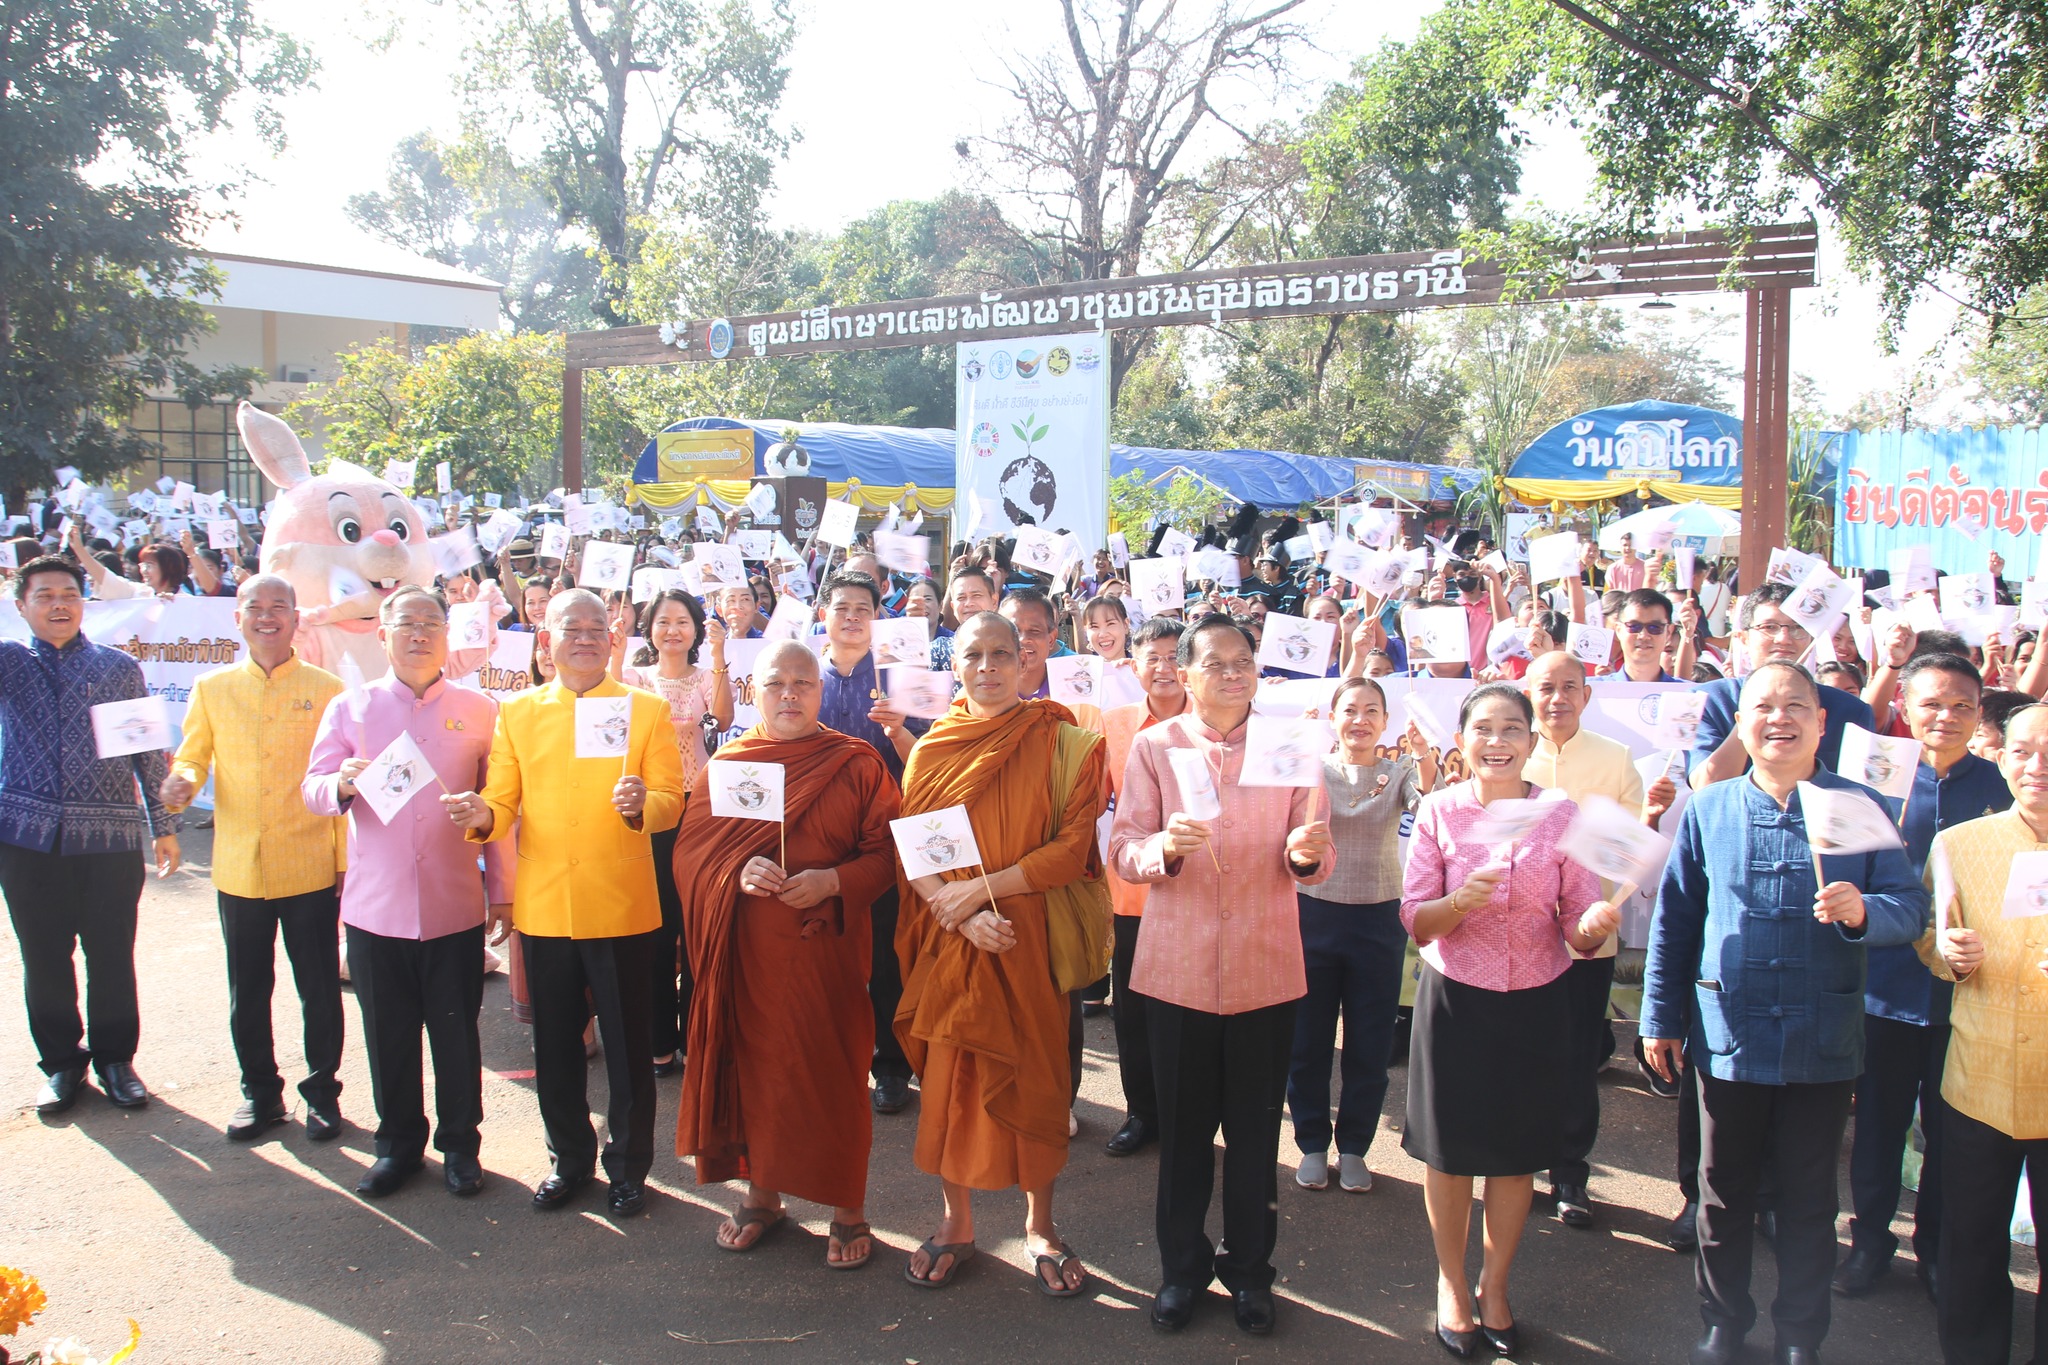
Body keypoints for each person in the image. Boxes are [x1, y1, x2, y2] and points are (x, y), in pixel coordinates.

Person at [1642, 661, 1930, 1365]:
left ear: (1821, 720)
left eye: (1795, 705)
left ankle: (1802, 1333)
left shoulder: (1857, 804)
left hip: (1821, 1035)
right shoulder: (1710, 807)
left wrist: (1864, 911)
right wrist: (1659, 1015)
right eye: (1762, 706)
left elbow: (1909, 906)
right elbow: (1675, 921)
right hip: (1727, 1029)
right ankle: (1723, 1321)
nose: (1780, 718)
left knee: (1807, 1200)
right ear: (1741, 724)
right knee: (1721, 1195)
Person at [1110, 616, 1334, 1337]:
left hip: (1266, 969)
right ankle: (1181, 1269)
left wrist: (1304, 853)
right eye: (1217, 663)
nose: (1232, 674)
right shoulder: (1156, 744)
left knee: (1253, 1133)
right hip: (1176, 972)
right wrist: (1161, 850)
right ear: (1187, 672)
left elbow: (1315, 853)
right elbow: (1122, 846)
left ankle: (1250, 1272)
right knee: (1180, 1135)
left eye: (1244, 662)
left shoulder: (1291, 743)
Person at [443, 588, 685, 1218]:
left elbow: (671, 799)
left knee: (630, 1049)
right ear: (545, 640)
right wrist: (479, 816)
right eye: (569, 628)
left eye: (595, 628)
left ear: (613, 638)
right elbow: (501, 803)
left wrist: (642, 804)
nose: (584, 638)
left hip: (623, 904)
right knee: (555, 1046)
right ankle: (569, 1160)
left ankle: (630, 1169)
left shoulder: (645, 710)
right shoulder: (518, 713)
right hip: (547, 905)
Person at [894, 611, 1106, 1296]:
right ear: (954, 665)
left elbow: (1072, 852)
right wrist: (951, 909)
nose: (988, 667)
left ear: (1027, 660)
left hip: (1027, 934)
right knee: (952, 1086)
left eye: (1002, 654)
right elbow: (918, 851)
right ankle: (956, 1220)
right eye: (973, 654)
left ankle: (1041, 1225)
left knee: (1039, 1080)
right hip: (956, 934)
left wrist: (982, 892)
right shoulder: (933, 749)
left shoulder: (1065, 740)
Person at [1401, 682, 1615, 1358]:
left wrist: (1594, 923)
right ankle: (1452, 1284)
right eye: (1484, 728)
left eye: (1512, 729)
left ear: (1532, 740)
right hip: (1457, 996)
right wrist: (1458, 900)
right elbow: (1415, 917)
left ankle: (1495, 1285)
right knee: (1452, 1153)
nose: (1497, 742)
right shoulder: (1439, 809)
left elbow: (1577, 925)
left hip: (1538, 999)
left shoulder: (1558, 812)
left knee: (1517, 1154)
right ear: (1462, 740)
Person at [674, 641, 900, 1269]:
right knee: (755, 1069)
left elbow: (889, 853)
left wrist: (833, 881)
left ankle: (847, 1210)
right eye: (776, 683)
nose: (790, 694)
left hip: (824, 950)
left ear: (820, 692)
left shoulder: (853, 763)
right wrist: (735, 872)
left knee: (831, 1073)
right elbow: (692, 855)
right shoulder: (734, 762)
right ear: (756, 692)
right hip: (747, 954)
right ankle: (762, 1195)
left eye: (803, 682)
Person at [302, 585, 513, 1197]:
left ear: (447, 634)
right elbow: (312, 790)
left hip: (453, 907)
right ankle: (396, 1145)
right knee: (387, 1034)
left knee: (456, 1034)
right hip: (376, 909)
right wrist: (339, 783)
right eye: (406, 624)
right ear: (383, 634)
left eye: (430, 623)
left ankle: (461, 1146)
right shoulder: (352, 708)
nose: (418, 633)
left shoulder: (479, 710)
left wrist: (500, 888)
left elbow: (499, 807)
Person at [1835, 654, 2009, 1300]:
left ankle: (1934, 1245)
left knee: (1950, 1130)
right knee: (1877, 1124)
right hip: (1880, 984)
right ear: (1904, 705)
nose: (1947, 717)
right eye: (1932, 703)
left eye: (1963, 705)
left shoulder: (2000, 784)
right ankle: (1869, 1241)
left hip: (1968, 989)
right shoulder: (1873, 778)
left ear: (1980, 711)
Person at [162, 575, 349, 1141]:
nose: (266, 617)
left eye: (278, 608)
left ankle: (322, 1094)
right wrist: (181, 783)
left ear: (296, 619)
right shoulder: (212, 688)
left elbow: (341, 779)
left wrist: (343, 862)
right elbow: (193, 759)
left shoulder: (328, 689)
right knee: (248, 988)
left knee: (318, 987)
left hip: (310, 860)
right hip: (240, 866)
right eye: (254, 608)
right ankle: (260, 1092)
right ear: (237, 618)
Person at [0, 556, 179, 1114]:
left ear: (84, 602)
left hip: (110, 839)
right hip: (26, 841)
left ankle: (115, 1060)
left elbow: (148, 752)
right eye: (45, 595)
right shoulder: (7, 662)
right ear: (21, 605)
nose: (59, 604)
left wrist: (164, 826)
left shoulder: (118, 667)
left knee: (111, 954)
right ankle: (61, 1065)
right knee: (45, 957)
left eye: (70, 594)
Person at [1920, 701, 2048, 1364]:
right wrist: (1950, 953)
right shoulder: (1959, 844)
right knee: (1971, 1245)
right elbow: (1931, 939)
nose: (2037, 766)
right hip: (1979, 1081)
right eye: (2023, 750)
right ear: (1998, 754)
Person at [1520, 651, 1665, 1227]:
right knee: (1519, 1054)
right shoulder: (1510, 749)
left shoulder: (1616, 758)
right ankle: (1516, 1165)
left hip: (1586, 936)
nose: (1557, 698)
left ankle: (1570, 1174)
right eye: (1545, 687)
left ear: (1587, 695)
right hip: (1516, 937)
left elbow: (1626, 843)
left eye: (1569, 688)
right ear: (1528, 692)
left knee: (1576, 1057)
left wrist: (1650, 817)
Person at [1289, 677, 1431, 1194]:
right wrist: (1294, 747)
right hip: (1313, 914)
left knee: (1369, 1044)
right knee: (1307, 1039)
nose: (1360, 720)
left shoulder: (1399, 774)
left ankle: (1353, 1147)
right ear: (1333, 718)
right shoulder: (1312, 770)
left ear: (1386, 722)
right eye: (1350, 709)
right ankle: (1309, 1143)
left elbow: (1430, 809)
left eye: (1372, 710)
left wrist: (1426, 760)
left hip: (1378, 919)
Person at [814, 569, 927, 1115]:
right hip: (817, 836)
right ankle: (833, 1061)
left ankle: (890, 1065)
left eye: (864, 608)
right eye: (842, 607)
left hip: (883, 836)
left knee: (884, 957)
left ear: (877, 619)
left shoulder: (901, 679)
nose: (853, 617)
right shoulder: (803, 677)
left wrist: (902, 727)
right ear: (824, 616)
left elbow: (928, 766)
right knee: (825, 953)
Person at [615, 587, 733, 1077]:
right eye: (663, 621)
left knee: (695, 923)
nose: (672, 630)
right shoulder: (634, 679)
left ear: (696, 629)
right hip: (653, 808)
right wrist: (616, 649)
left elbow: (723, 719)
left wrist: (722, 653)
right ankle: (659, 1037)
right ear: (650, 629)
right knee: (658, 927)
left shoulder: (707, 677)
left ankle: (696, 1037)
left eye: (682, 621)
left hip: (700, 808)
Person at [1098, 617, 1186, 1157]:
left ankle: (1187, 1115)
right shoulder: (1114, 725)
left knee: (1191, 1012)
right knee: (1133, 1014)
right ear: (1133, 666)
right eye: (1152, 657)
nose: (1164, 667)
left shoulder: (1214, 724)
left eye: (1175, 655)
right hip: (1129, 894)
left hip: (1198, 894)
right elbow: (1093, 806)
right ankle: (1141, 1113)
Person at [1690, 583, 1876, 788]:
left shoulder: (1850, 710)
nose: (1784, 639)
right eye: (1769, 627)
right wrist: (1750, 716)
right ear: (1743, 638)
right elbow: (1705, 785)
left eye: (1797, 628)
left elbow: (1863, 794)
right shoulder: (1706, 701)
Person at [931, 567, 997, 670]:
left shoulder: (1011, 646)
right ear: (953, 606)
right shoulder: (938, 650)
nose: (968, 603)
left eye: (976, 595)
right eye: (961, 598)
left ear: (994, 601)